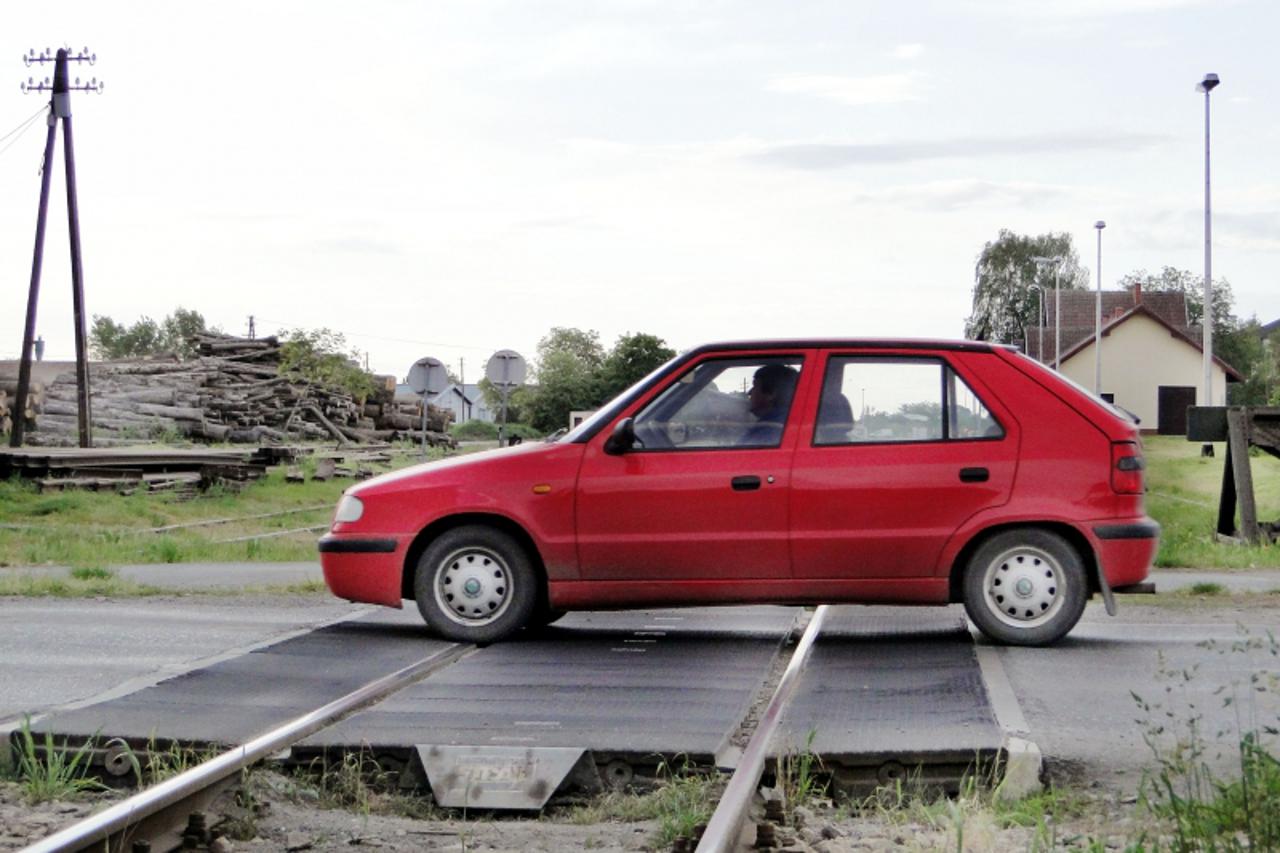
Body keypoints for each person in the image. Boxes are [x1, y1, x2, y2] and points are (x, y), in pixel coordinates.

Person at [740, 363, 798, 446]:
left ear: (771, 394)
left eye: (755, 386)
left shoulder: (769, 431)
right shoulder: (785, 424)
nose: (749, 393)